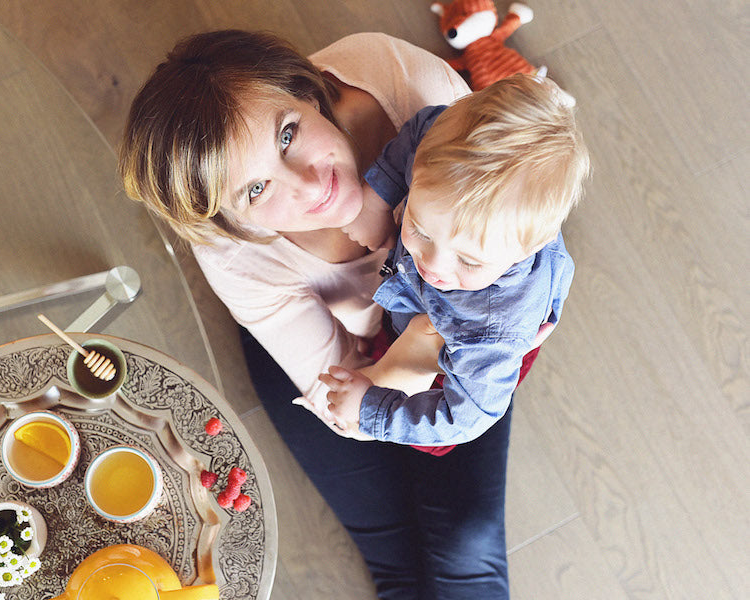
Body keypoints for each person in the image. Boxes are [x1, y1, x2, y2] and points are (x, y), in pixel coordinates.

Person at [119, 29, 515, 599]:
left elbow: (512, 249)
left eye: (287, 134)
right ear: (233, 219)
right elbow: (344, 404)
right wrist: (401, 361)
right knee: (398, 559)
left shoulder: (412, 90)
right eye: (256, 189)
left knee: (466, 539)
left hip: (458, 320)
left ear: (304, 90)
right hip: (329, 343)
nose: (311, 185)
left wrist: (425, 338)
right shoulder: (233, 253)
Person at [321, 74, 590, 447]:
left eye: (469, 260)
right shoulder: (442, 152)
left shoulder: (492, 338)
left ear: (528, 249)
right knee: (391, 341)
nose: (433, 265)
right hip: (418, 310)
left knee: (419, 438)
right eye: (421, 229)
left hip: (461, 367)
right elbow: (423, 127)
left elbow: (466, 417)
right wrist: (379, 195)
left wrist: (372, 409)